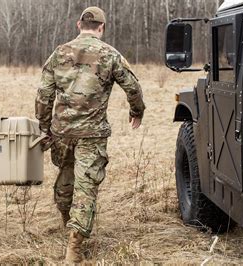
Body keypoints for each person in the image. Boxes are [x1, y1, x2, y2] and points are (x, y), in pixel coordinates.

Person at [35, 6, 146, 263]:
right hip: (91, 134)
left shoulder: (59, 53)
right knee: (85, 187)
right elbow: (132, 86)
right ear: (101, 28)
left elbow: (43, 95)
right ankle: (74, 246)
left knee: (65, 179)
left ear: (78, 25)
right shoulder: (109, 54)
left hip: (61, 132)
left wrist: (44, 126)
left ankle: (68, 223)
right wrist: (137, 111)